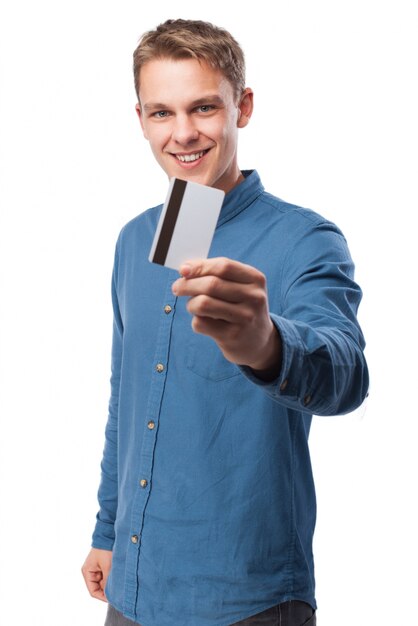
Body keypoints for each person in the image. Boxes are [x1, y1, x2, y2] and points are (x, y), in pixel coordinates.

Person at [81, 18, 369, 626]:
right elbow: (126, 401)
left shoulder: (304, 238)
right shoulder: (136, 240)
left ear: (244, 106)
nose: (183, 133)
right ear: (140, 119)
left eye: (204, 107)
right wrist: (108, 527)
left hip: (246, 598)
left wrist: (267, 344)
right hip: (134, 589)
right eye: (162, 112)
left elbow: (347, 372)